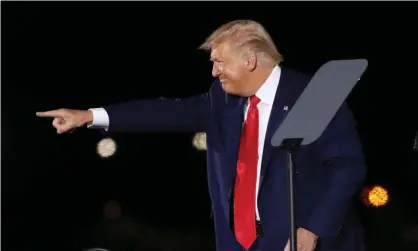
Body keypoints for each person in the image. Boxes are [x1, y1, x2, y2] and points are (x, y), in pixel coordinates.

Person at [37, 20, 367, 251]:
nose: (214, 71)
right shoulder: (222, 100)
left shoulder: (314, 93)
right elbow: (163, 112)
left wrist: (311, 230)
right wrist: (88, 116)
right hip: (240, 244)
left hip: (303, 243)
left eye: (220, 62)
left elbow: (347, 168)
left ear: (250, 60)